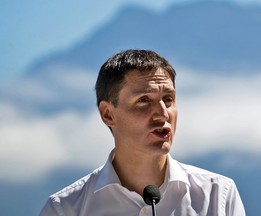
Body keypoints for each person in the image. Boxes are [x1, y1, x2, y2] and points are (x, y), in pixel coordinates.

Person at [39, 49, 246, 216]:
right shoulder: (64, 209)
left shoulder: (218, 196)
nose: (162, 114)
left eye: (168, 99)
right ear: (108, 114)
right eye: (144, 100)